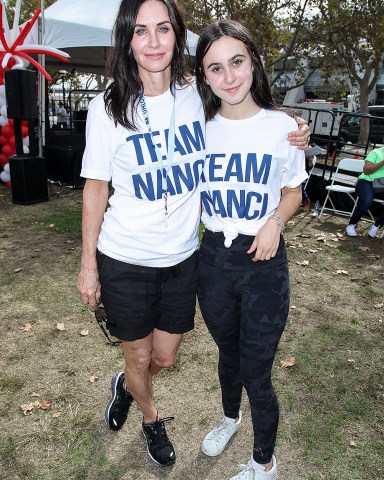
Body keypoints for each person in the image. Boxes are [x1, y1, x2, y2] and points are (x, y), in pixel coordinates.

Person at [76, 0, 309, 468]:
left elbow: (247, 117)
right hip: (124, 255)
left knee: (163, 357)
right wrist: (88, 265)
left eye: (163, 29)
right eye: (141, 31)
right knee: (139, 358)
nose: (154, 41)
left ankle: (126, 382)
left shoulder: (193, 94)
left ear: (177, 35)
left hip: (185, 257)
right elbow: (96, 187)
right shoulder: (107, 107)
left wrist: (296, 130)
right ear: (128, 38)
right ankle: (149, 418)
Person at [195, 20, 307, 480]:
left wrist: (274, 223)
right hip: (213, 262)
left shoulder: (283, 127)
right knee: (228, 352)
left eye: (237, 61)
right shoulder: (196, 130)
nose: (229, 76)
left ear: (253, 61)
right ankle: (229, 418)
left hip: (262, 263)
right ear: (204, 77)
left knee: (257, 369)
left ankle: (265, 462)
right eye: (215, 67)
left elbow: (295, 190)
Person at [346, 146, 384, 238]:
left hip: (382, 186)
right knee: (367, 201)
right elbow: (366, 171)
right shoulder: (376, 152)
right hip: (367, 182)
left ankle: (376, 226)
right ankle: (352, 224)